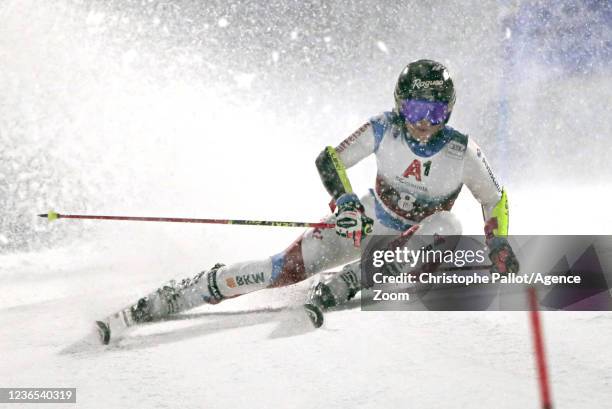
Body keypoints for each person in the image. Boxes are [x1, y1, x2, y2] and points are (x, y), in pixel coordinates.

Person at [95, 59, 519, 344]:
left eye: (436, 113)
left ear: (449, 111)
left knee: (447, 226)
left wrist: (498, 242)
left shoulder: (461, 151)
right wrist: (346, 203)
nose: (425, 124)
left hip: (414, 240)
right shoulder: (383, 128)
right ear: (399, 105)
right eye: (415, 109)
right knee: (280, 270)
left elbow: (495, 200)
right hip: (367, 221)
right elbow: (330, 158)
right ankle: (182, 293)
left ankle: (354, 278)